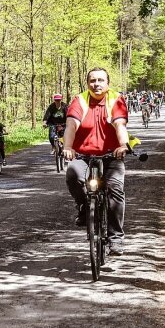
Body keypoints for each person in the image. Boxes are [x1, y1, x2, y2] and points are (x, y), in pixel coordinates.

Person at [63, 67, 130, 256]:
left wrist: (123, 145)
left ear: (108, 83)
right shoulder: (80, 100)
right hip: (83, 155)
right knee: (72, 175)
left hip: (111, 155)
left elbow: (120, 125)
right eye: (92, 80)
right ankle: (84, 206)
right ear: (87, 83)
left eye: (101, 80)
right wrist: (68, 147)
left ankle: (116, 237)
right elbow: (71, 125)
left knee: (115, 189)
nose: (96, 84)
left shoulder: (115, 99)